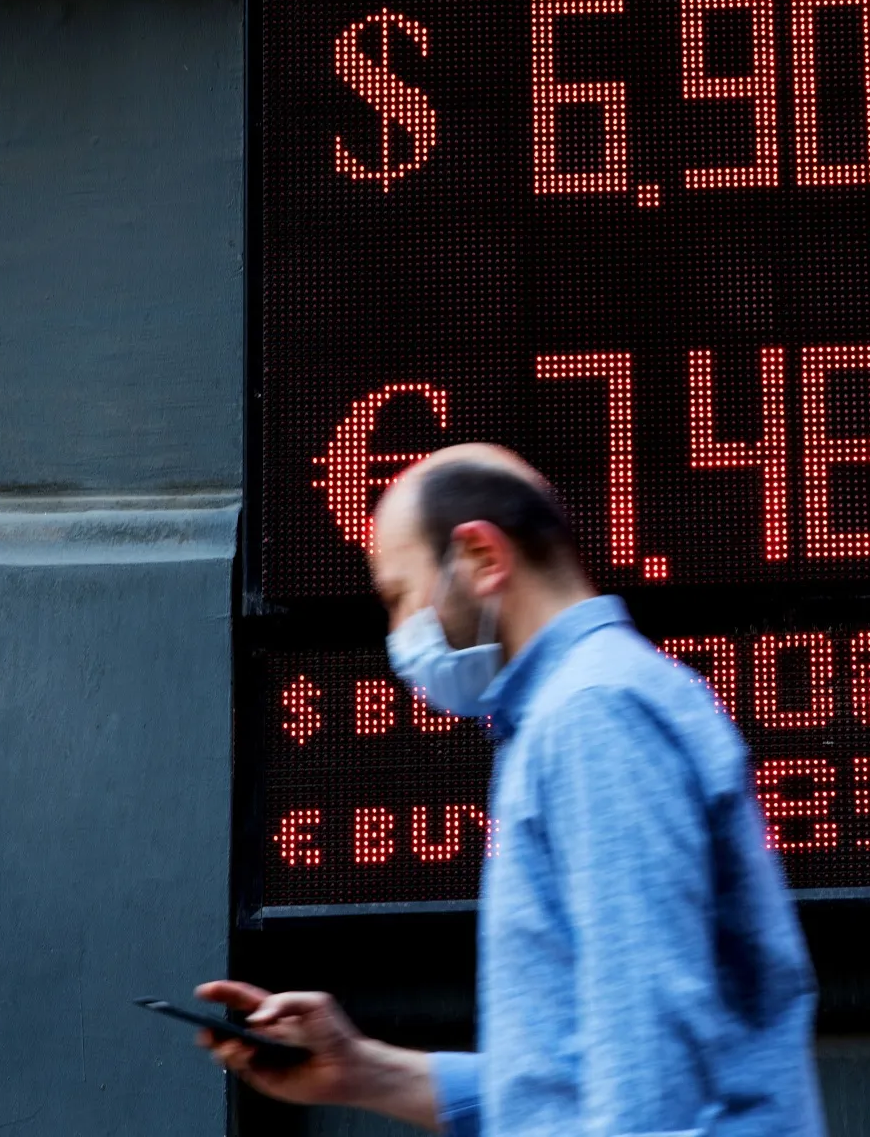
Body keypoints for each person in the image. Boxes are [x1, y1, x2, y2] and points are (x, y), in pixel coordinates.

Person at [195, 444, 825, 1136]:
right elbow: (566, 1089)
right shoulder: (581, 709)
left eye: (400, 596)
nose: (399, 634)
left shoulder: (594, 716)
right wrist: (364, 1070)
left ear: (483, 558)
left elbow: (648, 1059)